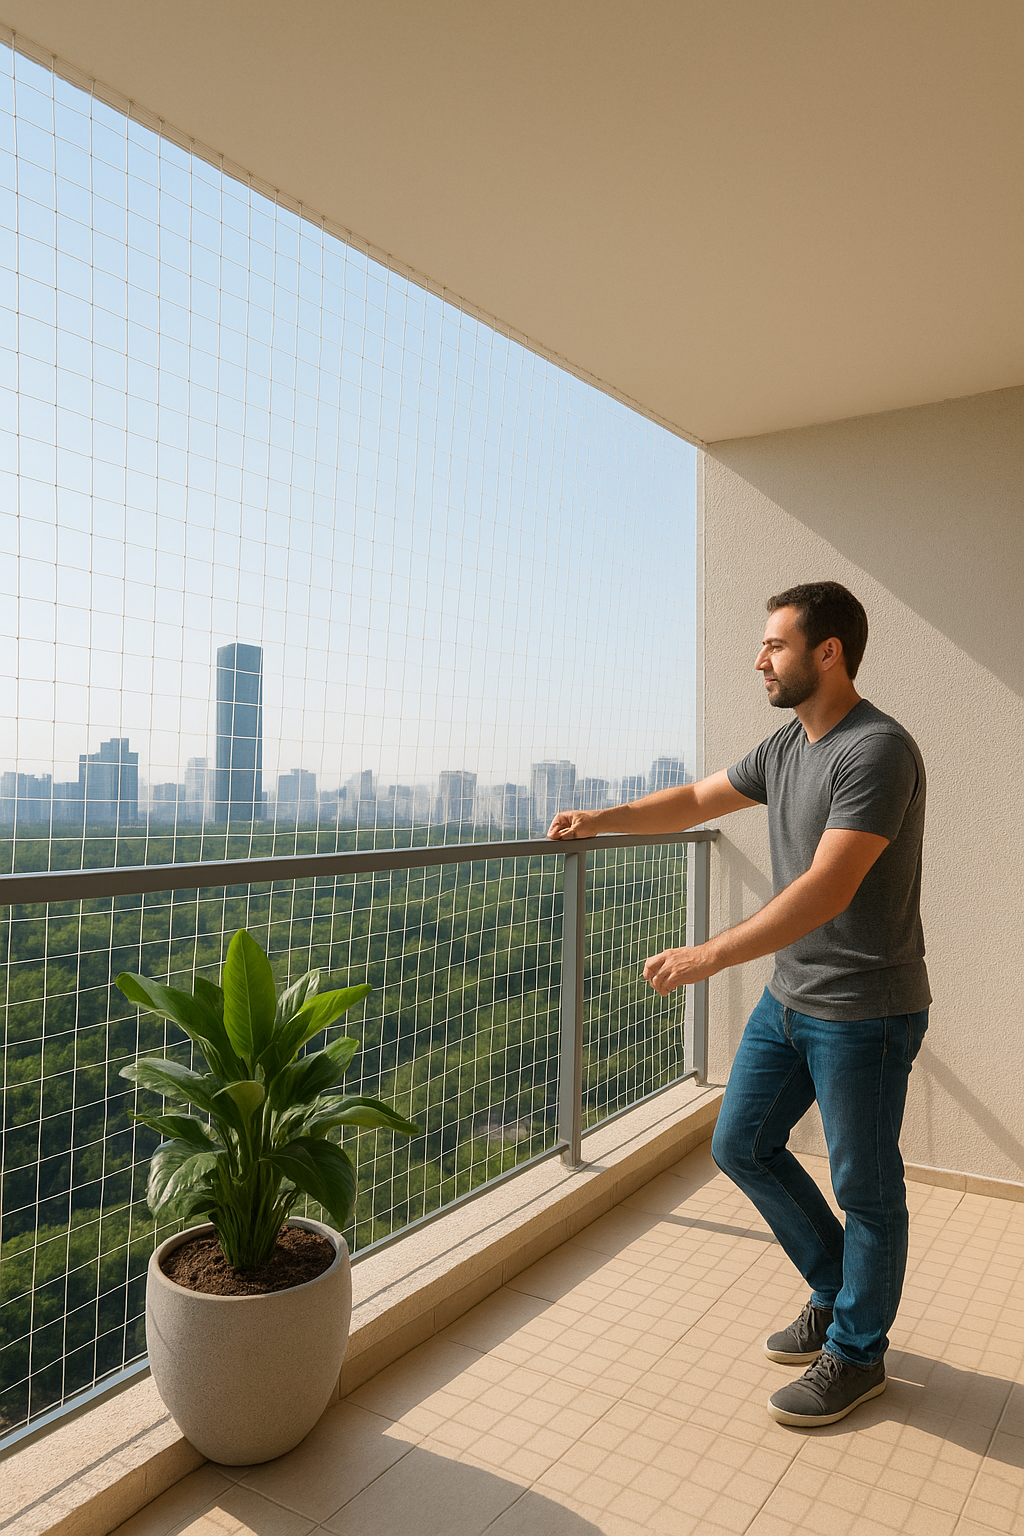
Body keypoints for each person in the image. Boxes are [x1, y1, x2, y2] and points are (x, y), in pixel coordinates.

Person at [548, 581, 929, 1428]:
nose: (759, 659)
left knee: (866, 1188)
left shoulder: (877, 751)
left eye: (775, 645)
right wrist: (601, 819)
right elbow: (696, 800)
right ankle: (837, 1293)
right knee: (741, 1143)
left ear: (828, 652)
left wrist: (707, 955)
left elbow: (829, 888)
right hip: (791, 998)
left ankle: (858, 1353)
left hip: (864, 1009)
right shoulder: (788, 744)